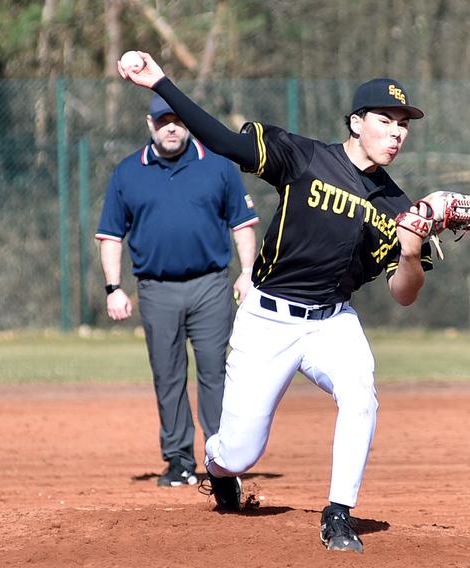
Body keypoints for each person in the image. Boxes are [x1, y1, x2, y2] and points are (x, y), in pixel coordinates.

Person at [118, 52, 433, 554]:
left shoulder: (398, 207)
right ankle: (218, 470)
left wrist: (412, 247)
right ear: (356, 122)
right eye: (385, 120)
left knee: (361, 395)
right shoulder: (305, 157)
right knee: (239, 452)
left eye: (403, 125)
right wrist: (161, 83)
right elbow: (221, 141)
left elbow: (405, 294)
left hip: (332, 321)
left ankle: (338, 514)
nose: (397, 132)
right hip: (267, 318)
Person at [95, 93, 259, 489]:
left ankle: (223, 463)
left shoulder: (217, 165)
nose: (172, 127)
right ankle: (179, 461)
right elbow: (111, 235)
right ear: (149, 125)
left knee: (215, 373)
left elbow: (243, 224)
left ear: (188, 123)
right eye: (162, 121)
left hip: (210, 286)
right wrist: (114, 287)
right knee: (168, 376)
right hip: (156, 288)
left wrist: (248, 272)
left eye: (178, 120)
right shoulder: (128, 172)